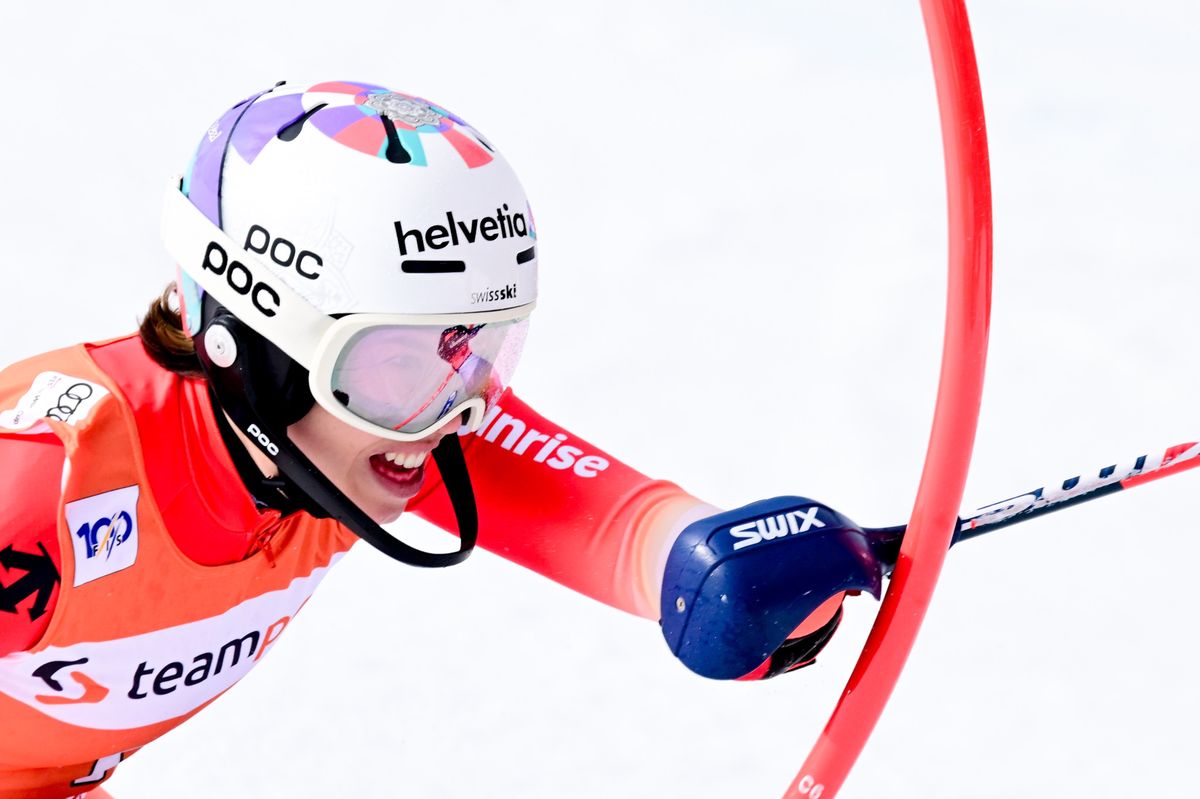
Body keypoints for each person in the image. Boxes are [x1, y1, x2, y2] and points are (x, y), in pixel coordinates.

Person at [0, 80, 848, 798]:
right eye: (399, 364)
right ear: (250, 345)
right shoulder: (41, 491)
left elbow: (634, 533)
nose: (452, 414)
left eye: (477, 352)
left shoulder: (354, 435)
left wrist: (747, 577)